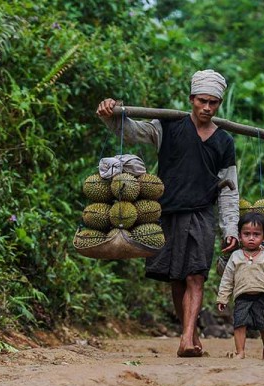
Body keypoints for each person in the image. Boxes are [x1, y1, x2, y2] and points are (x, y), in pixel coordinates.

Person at [96, 69, 239, 357]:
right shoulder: (168, 126)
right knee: (176, 278)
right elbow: (133, 131)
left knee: (196, 275)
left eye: (213, 103)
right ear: (191, 99)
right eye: (202, 101)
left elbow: (229, 189)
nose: (207, 108)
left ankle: (186, 338)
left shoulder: (224, 143)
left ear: (219, 104)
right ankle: (191, 333)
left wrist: (231, 228)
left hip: (201, 213)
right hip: (168, 211)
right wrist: (111, 114)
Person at [217, 212, 264, 360]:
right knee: (239, 324)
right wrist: (222, 298)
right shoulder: (235, 256)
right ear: (239, 235)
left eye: (256, 234)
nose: (251, 238)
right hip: (242, 297)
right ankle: (240, 352)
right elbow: (227, 279)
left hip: (263, 297)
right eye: (246, 234)